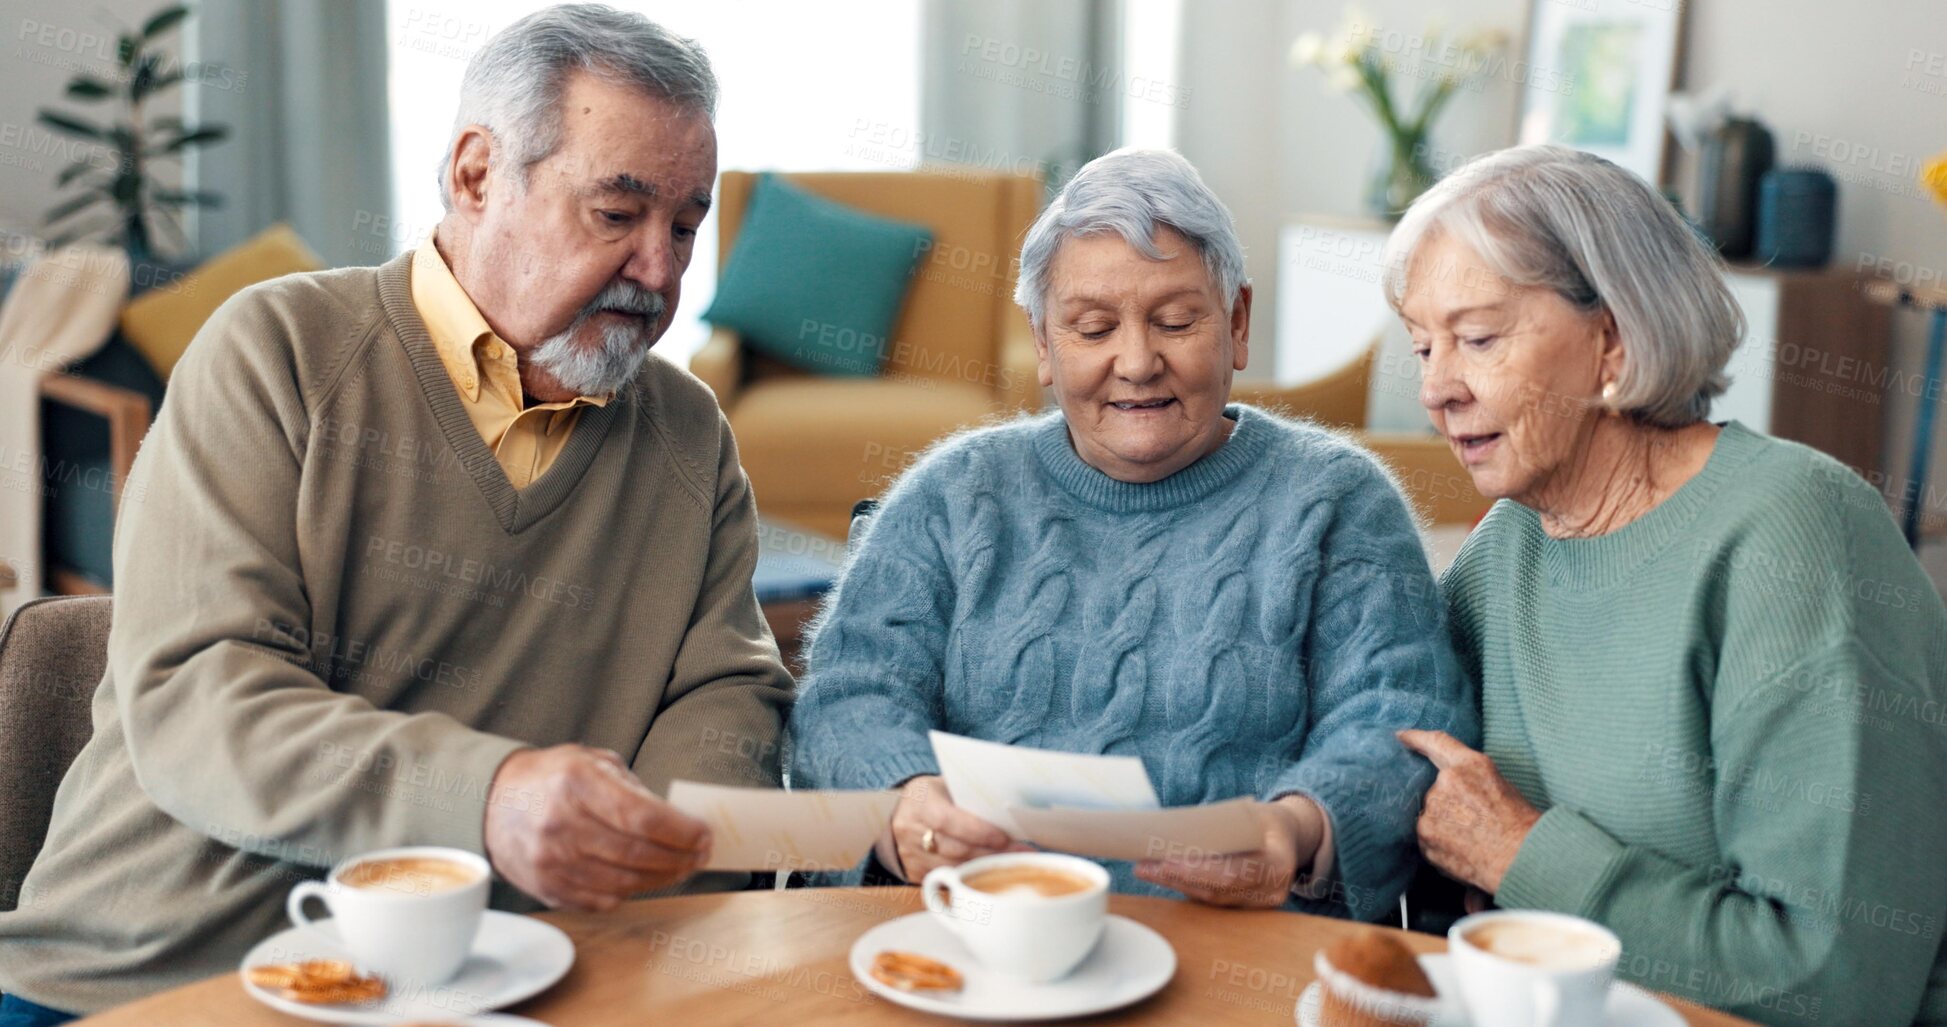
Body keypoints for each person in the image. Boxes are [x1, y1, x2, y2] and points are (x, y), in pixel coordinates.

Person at [0, 7, 792, 1022]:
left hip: (502, 979)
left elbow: (727, 691)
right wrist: (489, 797)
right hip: (154, 979)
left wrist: (646, 865)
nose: (660, 270)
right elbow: (197, 697)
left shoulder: (688, 434)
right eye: (615, 214)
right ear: (474, 175)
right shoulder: (274, 353)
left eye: (685, 225)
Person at [789, 147, 1477, 920]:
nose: (1137, 361)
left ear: (1237, 322)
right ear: (1043, 344)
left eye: (1175, 321)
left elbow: (1400, 719)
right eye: (1092, 327)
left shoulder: (1337, 500)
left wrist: (1294, 829)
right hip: (980, 938)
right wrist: (903, 800)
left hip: (1242, 951)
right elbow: (849, 691)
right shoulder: (955, 493)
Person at [1387, 144, 1947, 1026]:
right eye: (1422, 345)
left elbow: (1835, 979)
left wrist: (1523, 855)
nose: (1434, 388)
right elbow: (1427, 813)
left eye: (1478, 338)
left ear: (1612, 339)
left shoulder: (1795, 534)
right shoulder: (1505, 550)